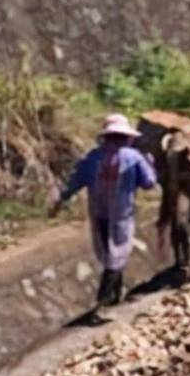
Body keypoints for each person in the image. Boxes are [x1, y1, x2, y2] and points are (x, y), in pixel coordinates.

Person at [49, 114, 157, 320]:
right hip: (122, 215)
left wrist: (61, 201)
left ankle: (116, 294)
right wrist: (150, 163)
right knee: (118, 254)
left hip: (99, 214)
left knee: (109, 253)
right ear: (126, 137)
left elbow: (73, 183)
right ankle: (103, 302)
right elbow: (149, 183)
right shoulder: (133, 157)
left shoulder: (93, 158)